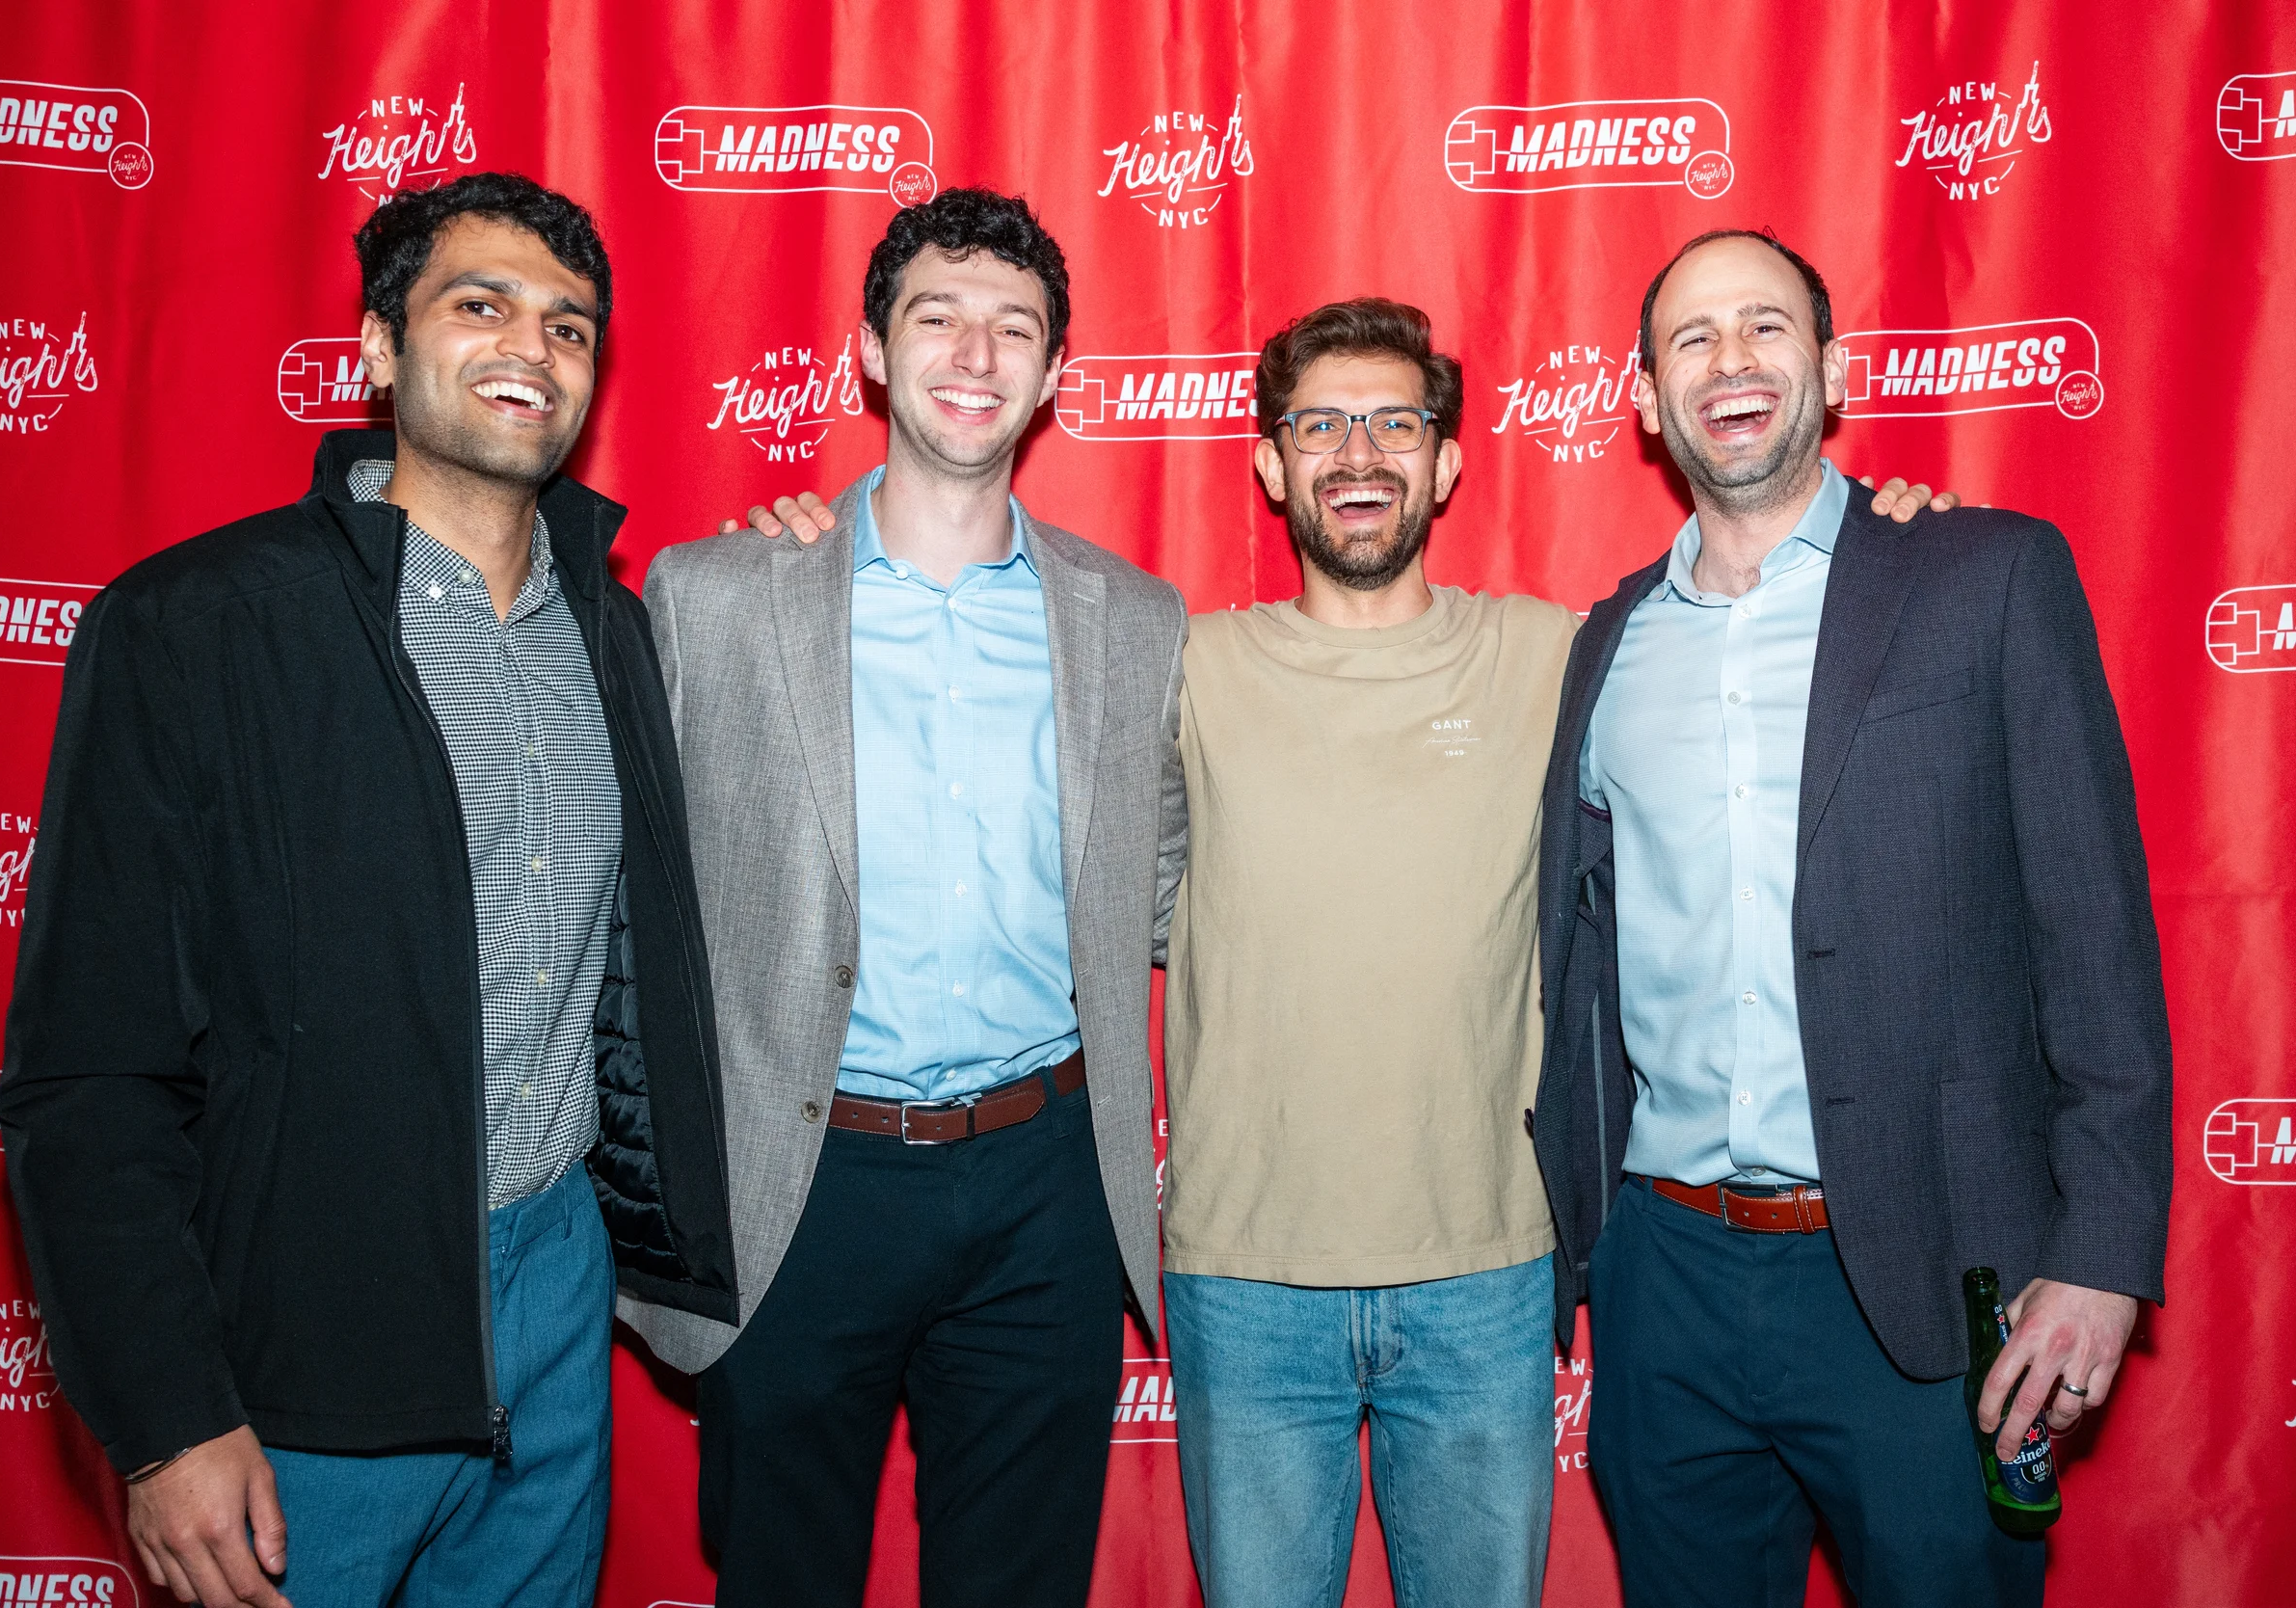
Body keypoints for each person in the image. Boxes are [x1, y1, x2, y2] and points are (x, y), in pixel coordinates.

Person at [735, 295, 1948, 1608]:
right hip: (1245, 1283)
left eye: (1394, 424)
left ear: (1448, 461)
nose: (1357, 454)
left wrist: (1880, 541)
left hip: (1487, 1272)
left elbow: (1746, 625)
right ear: (1270, 466)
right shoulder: (1176, 663)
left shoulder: (1556, 655)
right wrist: (809, 548)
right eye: (1318, 427)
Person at [0, 173, 735, 1608]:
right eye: (481, 306)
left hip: (555, 1297)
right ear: (379, 348)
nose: (532, 347)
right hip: (303, 1349)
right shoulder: (196, 627)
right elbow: (87, 1073)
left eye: (570, 325)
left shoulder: (616, 632)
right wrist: (167, 1420)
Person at [1532, 228, 2172, 1607]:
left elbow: (2094, 931)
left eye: (1766, 326)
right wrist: (1595, 1250)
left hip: (1930, 1282)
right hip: (1665, 1284)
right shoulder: (1607, 646)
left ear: (1830, 370)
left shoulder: (1983, 576)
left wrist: (2100, 1259)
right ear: (1644, 398)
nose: (1732, 359)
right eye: (1692, 338)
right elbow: (1581, 962)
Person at [627, 188, 1188, 1608]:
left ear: (1055, 374)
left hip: (1046, 1187)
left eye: (1016, 329)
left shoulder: (1135, 620)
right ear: (872, 352)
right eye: (937, 318)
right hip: (800, 1183)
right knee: (783, 1578)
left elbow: (1172, 886)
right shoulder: (717, 596)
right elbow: (637, 912)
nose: (976, 356)